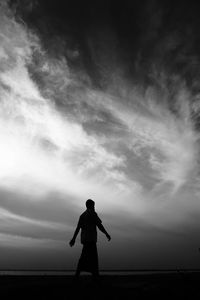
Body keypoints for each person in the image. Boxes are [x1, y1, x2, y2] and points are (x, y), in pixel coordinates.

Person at [69, 199, 111, 281]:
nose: (94, 207)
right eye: (93, 205)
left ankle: (91, 274)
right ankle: (92, 274)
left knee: (86, 257)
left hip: (85, 240)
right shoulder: (93, 214)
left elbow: (78, 228)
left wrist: (73, 239)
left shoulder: (82, 215)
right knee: (91, 258)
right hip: (91, 240)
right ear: (90, 206)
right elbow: (99, 225)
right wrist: (106, 233)